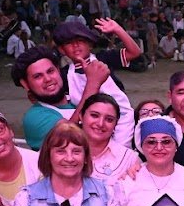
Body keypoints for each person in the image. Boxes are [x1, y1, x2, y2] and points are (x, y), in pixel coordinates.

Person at [53, 18, 138, 147]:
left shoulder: (104, 58)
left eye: (80, 41)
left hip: (122, 122)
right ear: (62, 50)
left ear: (90, 44)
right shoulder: (65, 75)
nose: (76, 45)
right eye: (69, 43)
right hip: (92, 126)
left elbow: (134, 52)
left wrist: (117, 29)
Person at [12, 46, 108, 151]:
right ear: (25, 84)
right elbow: (69, 137)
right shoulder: (34, 117)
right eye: (38, 76)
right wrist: (93, 84)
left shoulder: (77, 95)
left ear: (58, 70)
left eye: (50, 71)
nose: (48, 79)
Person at [80, 93, 139, 188]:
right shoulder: (63, 152)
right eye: (94, 115)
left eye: (109, 119)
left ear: (116, 124)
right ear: (81, 116)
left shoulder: (129, 158)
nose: (100, 123)